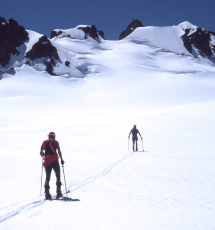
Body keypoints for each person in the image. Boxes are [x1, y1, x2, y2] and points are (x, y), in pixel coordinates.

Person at [40, 132, 65, 199]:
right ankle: (58, 192)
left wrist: (42, 154)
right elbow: (59, 151)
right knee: (58, 176)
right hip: (55, 161)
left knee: (47, 177)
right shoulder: (56, 142)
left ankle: (47, 193)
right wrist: (61, 159)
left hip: (47, 162)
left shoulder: (45, 142)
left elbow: (41, 152)